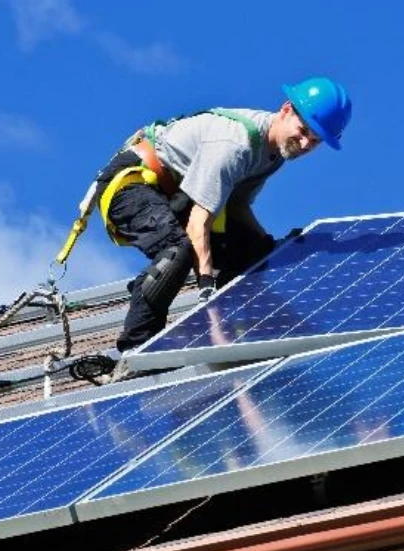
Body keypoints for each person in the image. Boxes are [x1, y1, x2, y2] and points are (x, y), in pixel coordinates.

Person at [87, 77, 353, 353]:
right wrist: (206, 291)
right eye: (303, 130)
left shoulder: (273, 156)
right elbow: (198, 224)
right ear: (286, 110)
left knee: (254, 254)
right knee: (176, 253)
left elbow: (236, 207)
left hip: (178, 196)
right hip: (132, 183)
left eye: (315, 140)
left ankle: (245, 333)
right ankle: (136, 349)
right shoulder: (236, 145)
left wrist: (268, 246)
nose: (305, 143)